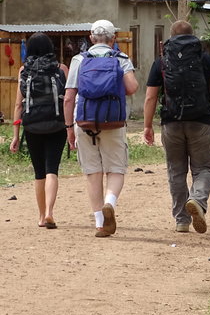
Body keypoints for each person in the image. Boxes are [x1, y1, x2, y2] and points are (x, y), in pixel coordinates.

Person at [142, 20, 210, 233]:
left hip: (171, 123)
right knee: (205, 168)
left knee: (176, 172)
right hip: (200, 122)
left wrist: (147, 126)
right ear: (194, 36)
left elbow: (150, 97)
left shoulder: (162, 61)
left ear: (171, 38)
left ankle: (181, 221)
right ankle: (198, 200)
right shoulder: (204, 58)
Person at [63, 20, 139, 237]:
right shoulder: (121, 59)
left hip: (85, 121)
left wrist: (69, 127)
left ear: (91, 38)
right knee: (116, 168)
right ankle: (110, 203)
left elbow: (69, 98)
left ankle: (99, 222)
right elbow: (132, 87)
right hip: (112, 121)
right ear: (113, 38)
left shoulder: (79, 59)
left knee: (92, 172)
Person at [9, 33, 69, 229]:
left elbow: (19, 105)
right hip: (57, 124)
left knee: (39, 173)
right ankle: (51, 212)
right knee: (52, 169)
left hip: (32, 125)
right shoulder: (61, 69)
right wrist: (71, 128)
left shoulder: (23, 71)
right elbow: (67, 100)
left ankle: (42, 216)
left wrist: (16, 135)